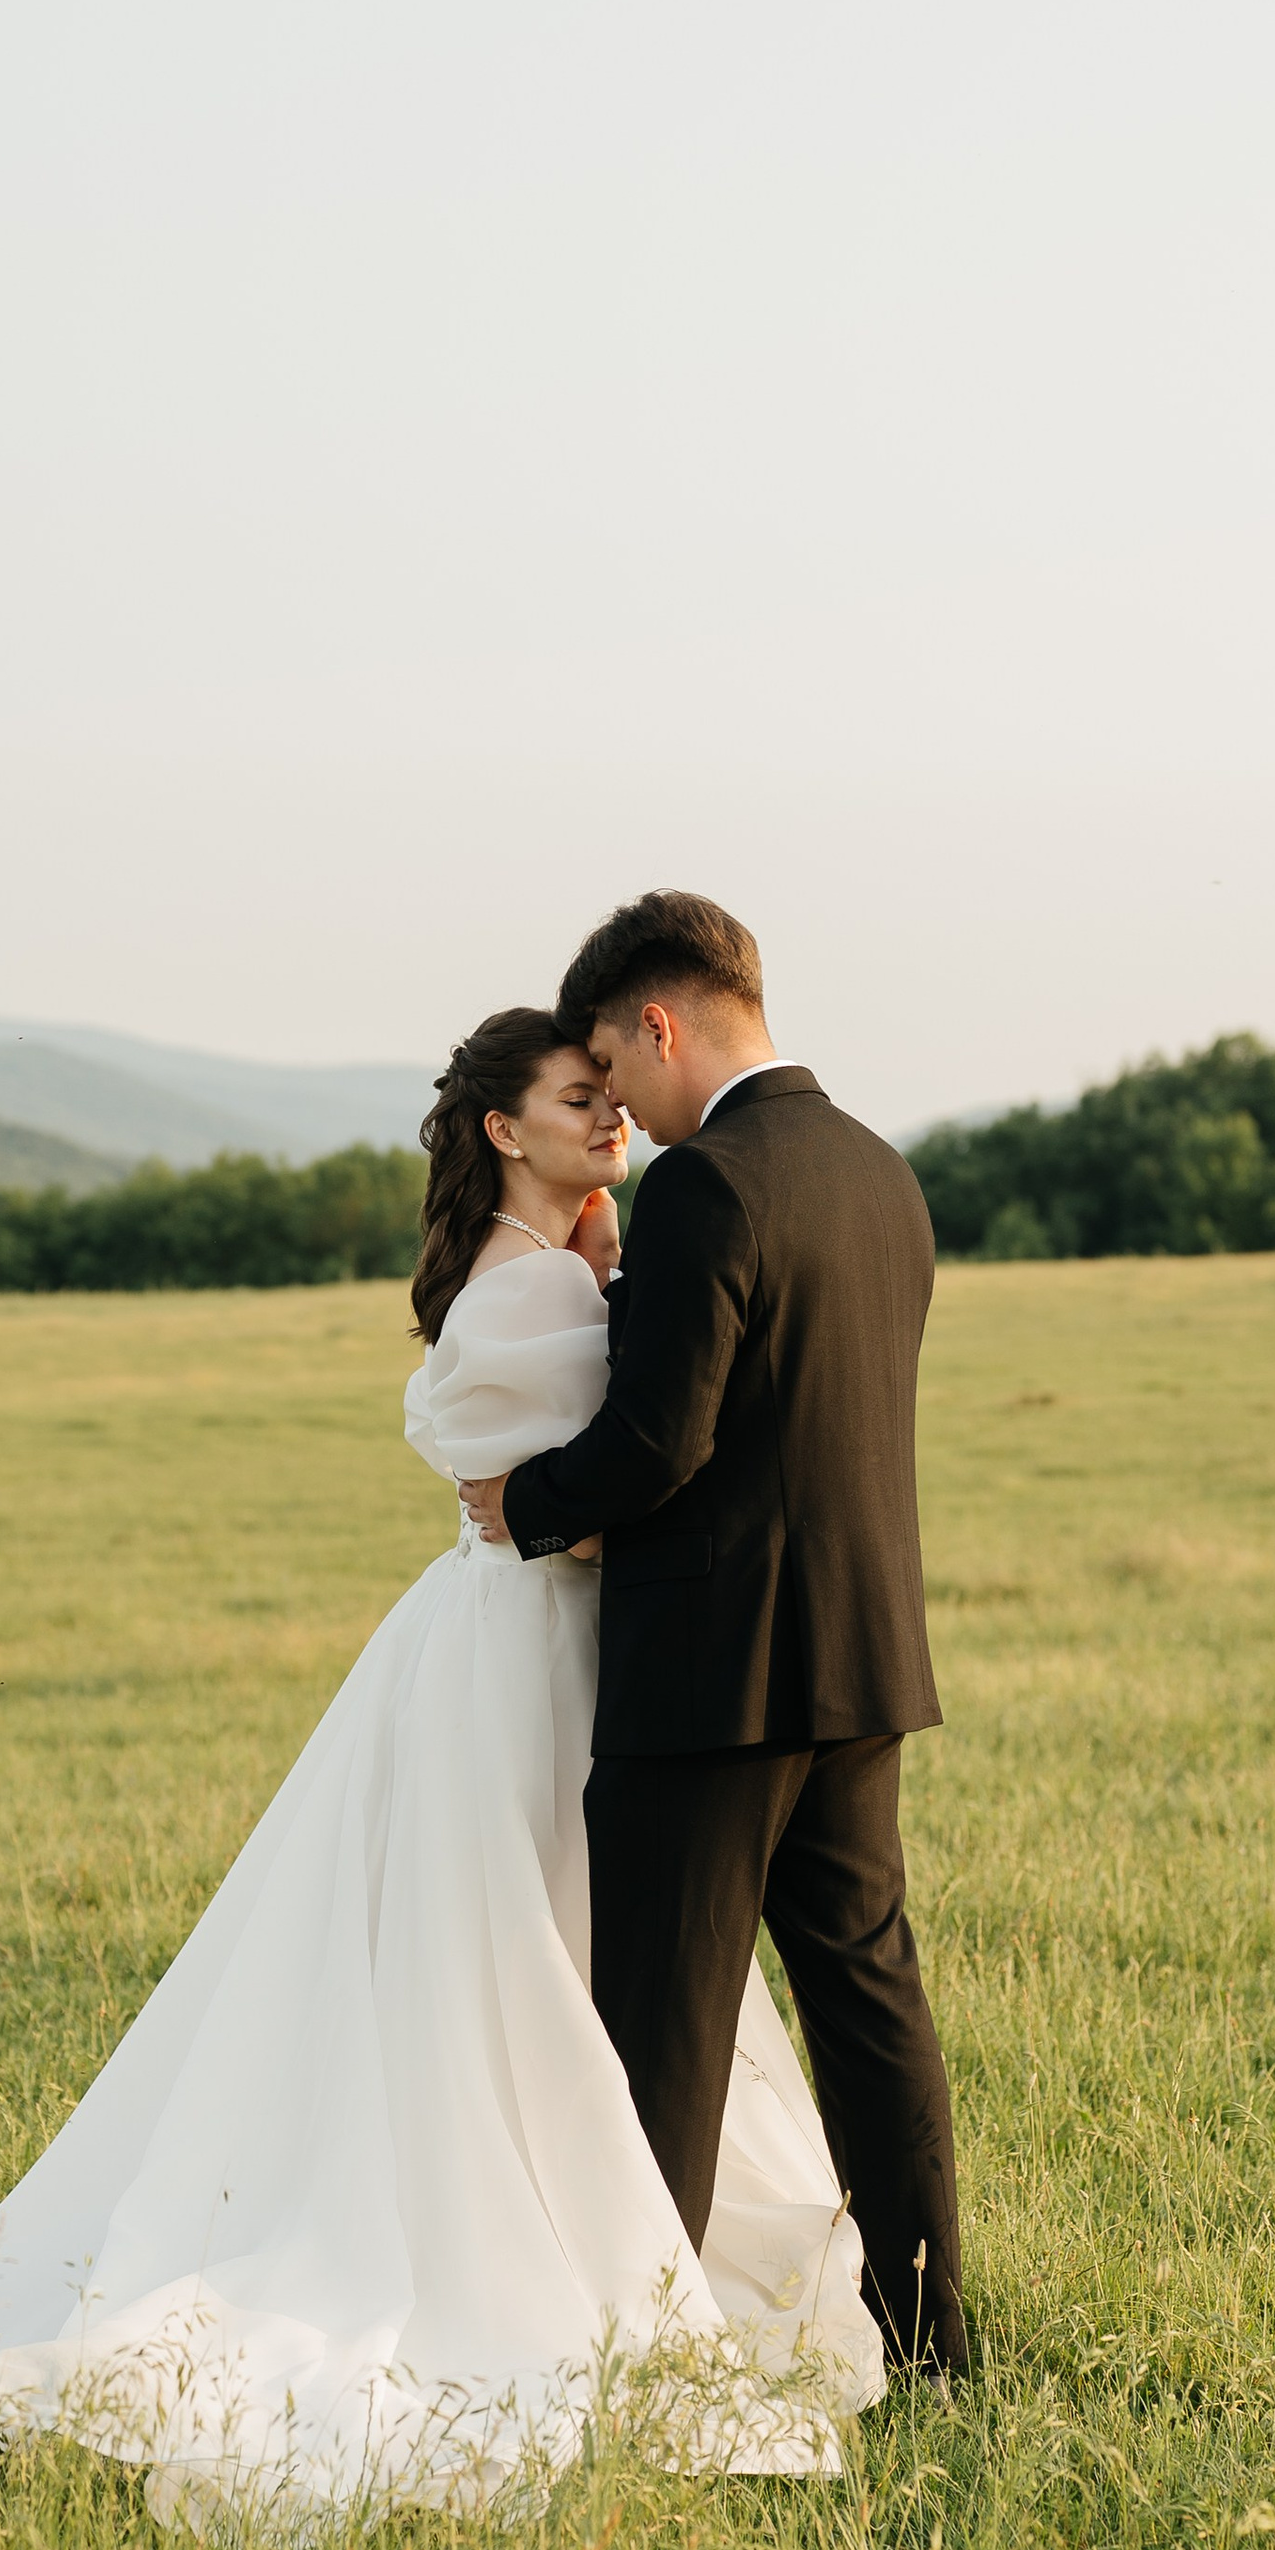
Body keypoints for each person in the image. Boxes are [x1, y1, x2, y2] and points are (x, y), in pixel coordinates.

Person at [0, 1006, 883, 2524]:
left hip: (512, 1646)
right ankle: (568, 2252)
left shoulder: (554, 1274)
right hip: (539, 1658)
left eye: (612, 1098)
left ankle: (611, 2228)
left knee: (550, 1964)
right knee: (539, 1964)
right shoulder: (537, 1297)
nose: (609, 1121)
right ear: (502, 1130)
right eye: (577, 1099)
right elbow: (614, 1494)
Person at [457, 892, 966, 2377]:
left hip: (708, 1681)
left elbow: (658, 1443)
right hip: (861, 1665)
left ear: (658, 1022)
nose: (617, 1101)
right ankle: (933, 2345)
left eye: (614, 1066)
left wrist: (525, 1498)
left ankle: (646, 2365)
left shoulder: (708, 1186)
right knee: (871, 2008)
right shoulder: (882, 1173)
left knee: (659, 2041)